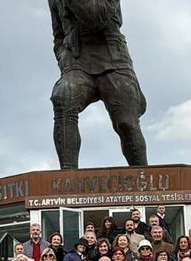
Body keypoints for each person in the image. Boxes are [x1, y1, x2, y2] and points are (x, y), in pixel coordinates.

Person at [49, 0, 147, 169]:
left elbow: (96, 17)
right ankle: (67, 177)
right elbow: (58, 35)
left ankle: (143, 177)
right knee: (63, 96)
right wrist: (64, 59)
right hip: (77, 62)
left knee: (126, 123)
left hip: (113, 59)